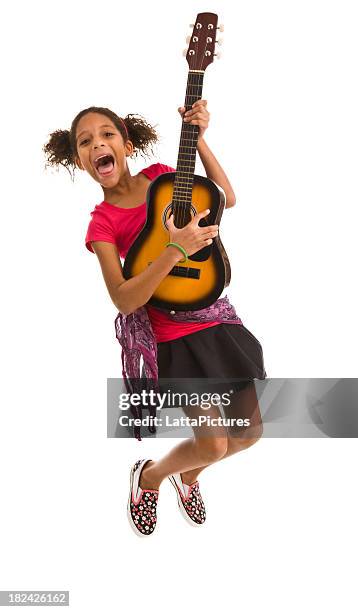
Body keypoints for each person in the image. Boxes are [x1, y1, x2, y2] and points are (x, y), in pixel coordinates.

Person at [43, 101, 267, 537]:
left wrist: (198, 138)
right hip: (171, 334)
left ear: (126, 144)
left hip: (216, 319)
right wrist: (175, 249)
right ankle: (149, 477)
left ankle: (189, 478)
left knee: (248, 434)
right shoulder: (101, 224)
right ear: (77, 159)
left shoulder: (165, 177)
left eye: (106, 135)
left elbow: (227, 199)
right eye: (85, 142)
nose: (97, 145)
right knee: (213, 442)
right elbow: (125, 300)